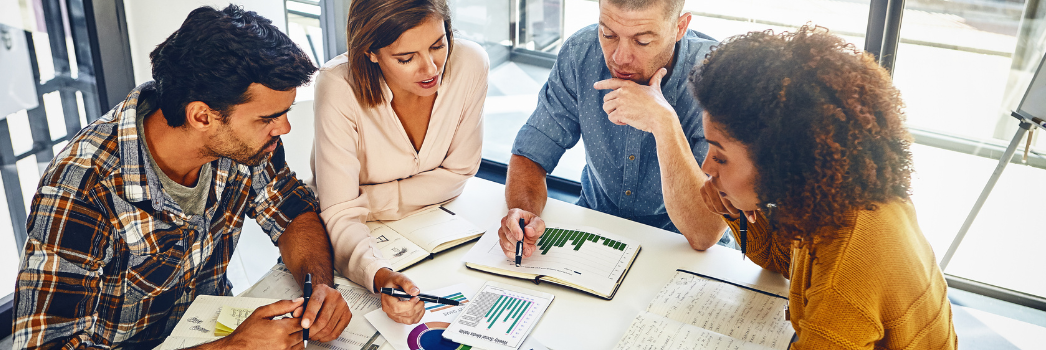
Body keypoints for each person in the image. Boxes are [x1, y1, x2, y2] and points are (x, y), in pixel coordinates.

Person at [12, 5, 420, 349]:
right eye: (268, 118)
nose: (283, 130)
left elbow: (293, 212)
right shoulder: (81, 189)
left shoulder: (244, 145)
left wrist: (319, 287)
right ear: (202, 116)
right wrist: (235, 346)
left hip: (212, 327)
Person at [692, 25, 957, 348]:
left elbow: (832, 291)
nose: (706, 167)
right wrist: (737, 210)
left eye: (720, 157)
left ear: (778, 159)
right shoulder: (837, 200)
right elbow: (783, 261)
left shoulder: (846, 271)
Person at [498, 0, 729, 259]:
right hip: (596, 232)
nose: (619, 58)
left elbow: (704, 234)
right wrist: (524, 215)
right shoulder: (580, 53)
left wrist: (664, 123)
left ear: (680, 27)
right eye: (608, 34)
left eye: (642, 41)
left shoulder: (719, 78)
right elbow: (531, 154)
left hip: (683, 249)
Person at [309, 0, 486, 310]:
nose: (431, 69)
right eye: (406, 58)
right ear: (371, 53)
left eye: (438, 45)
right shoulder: (338, 87)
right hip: (357, 242)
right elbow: (338, 216)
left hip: (442, 233)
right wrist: (378, 273)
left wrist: (364, 202)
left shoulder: (470, 63)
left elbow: (459, 173)